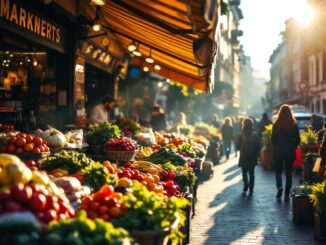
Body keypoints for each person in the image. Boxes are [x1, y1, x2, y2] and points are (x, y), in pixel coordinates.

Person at [271, 104, 300, 201]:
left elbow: (272, 139)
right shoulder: (293, 125)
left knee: (278, 171)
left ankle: (279, 187)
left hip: (278, 150)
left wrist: (275, 145)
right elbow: (298, 139)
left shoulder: (276, 124)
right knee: (288, 173)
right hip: (289, 150)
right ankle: (287, 193)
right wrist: (294, 145)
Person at [237, 118, 261, 194]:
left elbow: (237, 146)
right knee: (251, 173)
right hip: (253, 156)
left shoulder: (240, 134)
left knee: (244, 172)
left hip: (244, 155)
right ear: (252, 124)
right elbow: (259, 145)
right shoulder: (255, 134)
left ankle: (246, 184)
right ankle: (251, 187)